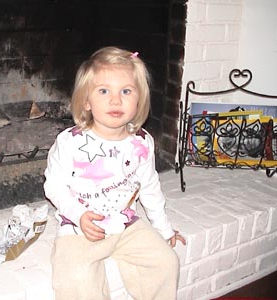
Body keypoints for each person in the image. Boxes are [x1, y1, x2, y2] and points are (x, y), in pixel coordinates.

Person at [44, 46, 186, 300]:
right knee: (75, 278)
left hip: (124, 222)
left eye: (126, 91)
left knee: (166, 263)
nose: (116, 100)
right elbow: (53, 186)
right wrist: (78, 215)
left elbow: (150, 187)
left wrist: (164, 229)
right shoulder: (70, 142)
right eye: (103, 91)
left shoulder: (142, 142)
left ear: (139, 98)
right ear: (87, 101)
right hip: (81, 226)